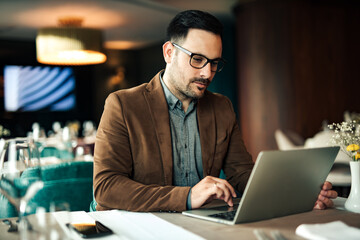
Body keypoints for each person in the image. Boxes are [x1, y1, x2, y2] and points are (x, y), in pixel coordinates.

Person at [93, 10, 337, 212]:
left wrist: (295, 192)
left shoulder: (222, 107)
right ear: (169, 52)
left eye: (214, 62)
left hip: (203, 224)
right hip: (142, 226)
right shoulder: (122, 105)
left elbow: (241, 173)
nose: (207, 73)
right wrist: (188, 196)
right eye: (197, 59)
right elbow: (106, 186)